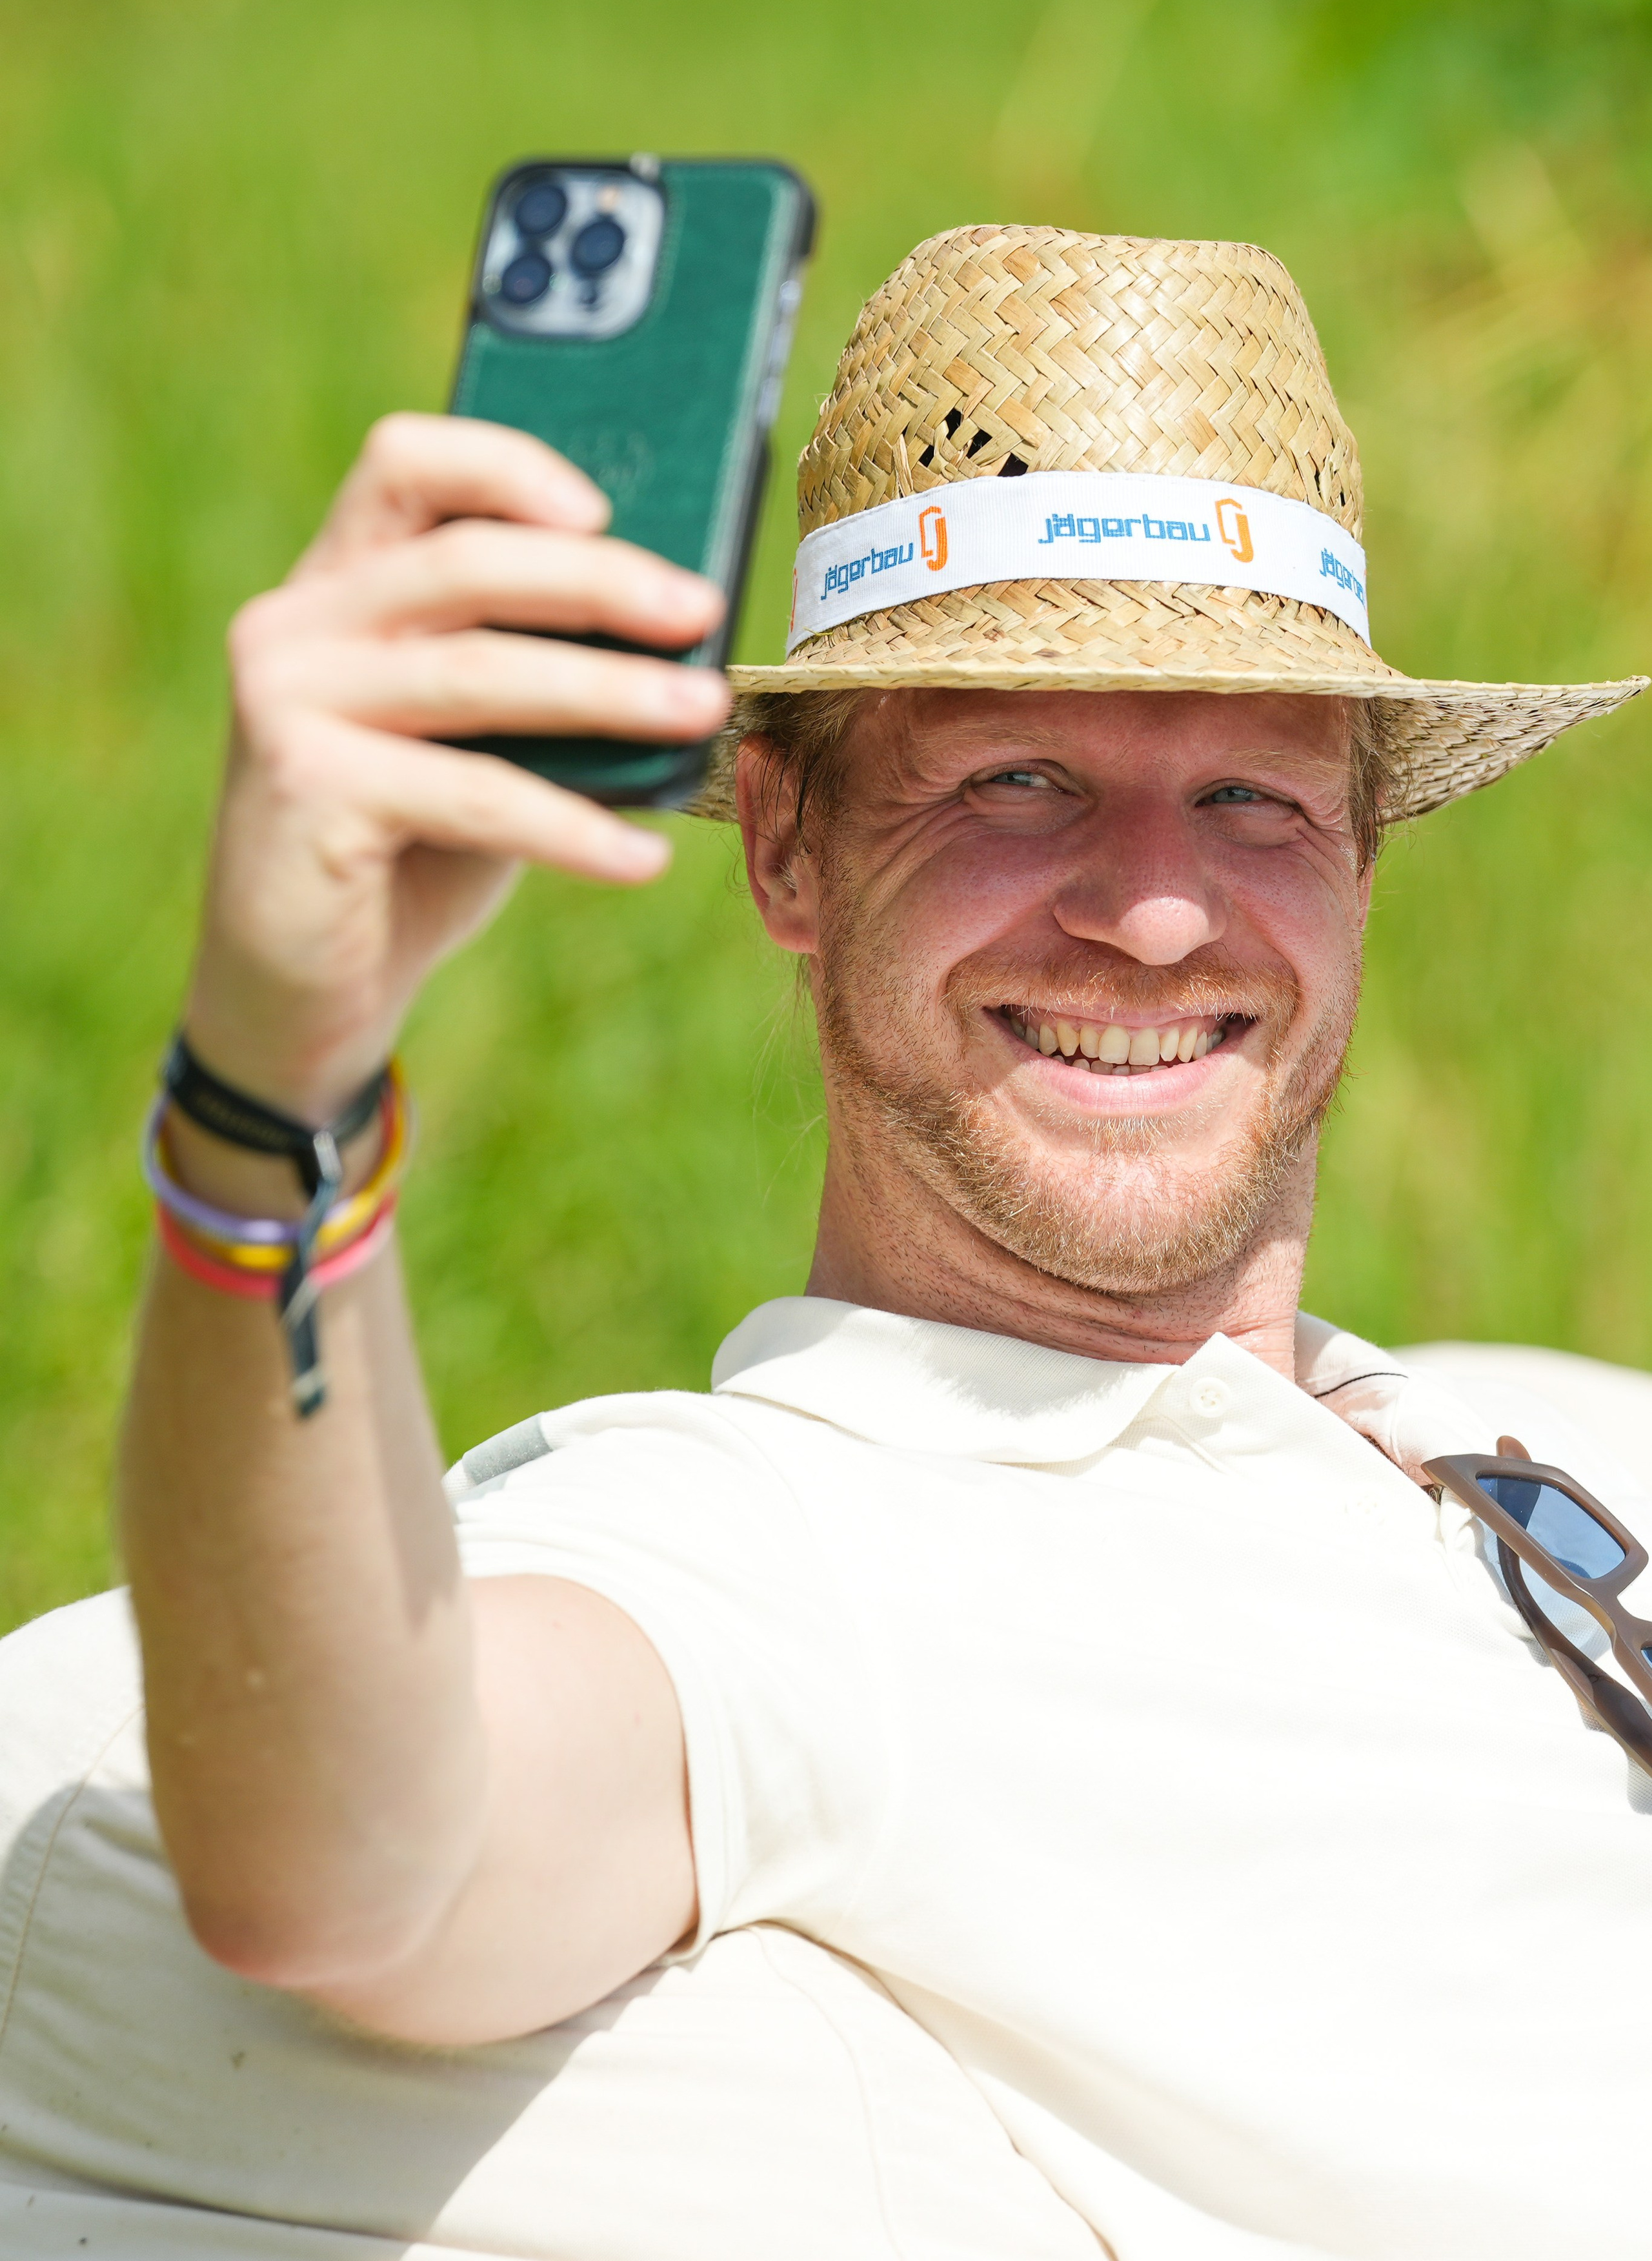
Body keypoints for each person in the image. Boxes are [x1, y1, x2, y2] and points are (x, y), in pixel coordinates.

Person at [16, 227, 1652, 2258]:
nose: (1153, 912)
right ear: (789, 847)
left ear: (1365, 866)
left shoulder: (1501, 1438)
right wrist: (278, 1082)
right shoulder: (779, 1551)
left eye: (1251, 798)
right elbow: (353, 1873)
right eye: (1021, 783)